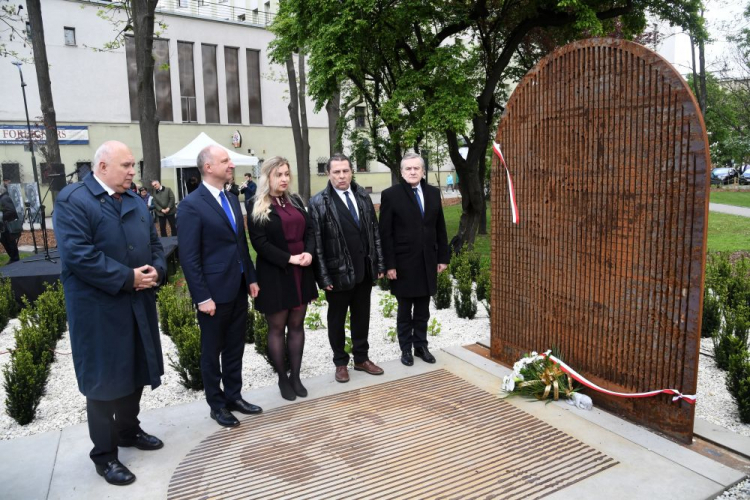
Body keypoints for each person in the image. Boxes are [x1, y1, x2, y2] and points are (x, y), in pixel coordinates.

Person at [53, 141, 166, 486]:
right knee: (103, 383)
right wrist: (128, 278)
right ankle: (105, 456)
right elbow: (79, 256)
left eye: (133, 165)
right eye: (127, 165)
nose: (134, 171)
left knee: (135, 369)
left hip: (137, 303)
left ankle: (129, 430)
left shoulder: (134, 200)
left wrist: (156, 271)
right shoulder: (74, 201)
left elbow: (156, 244)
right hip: (99, 310)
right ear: (102, 167)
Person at [178, 145, 262, 428]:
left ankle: (234, 396)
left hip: (237, 287)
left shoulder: (230, 197)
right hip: (213, 294)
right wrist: (202, 297)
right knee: (212, 350)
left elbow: (241, 242)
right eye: (225, 161)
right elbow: (189, 258)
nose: (231, 165)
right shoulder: (191, 205)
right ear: (208, 167)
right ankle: (216, 404)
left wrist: (250, 278)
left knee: (235, 346)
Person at [309, 153, 385, 383]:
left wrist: (379, 262)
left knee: (362, 317)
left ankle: (361, 358)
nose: (341, 176)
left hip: (364, 270)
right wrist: (323, 276)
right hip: (337, 273)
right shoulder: (318, 202)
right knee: (337, 319)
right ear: (328, 174)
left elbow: (375, 232)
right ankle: (340, 362)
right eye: (336, 172)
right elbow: (317, 244)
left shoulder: (362, 196)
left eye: (345, 171)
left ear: (352, 172)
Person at [248, 157, 317, 400]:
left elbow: (310, 230)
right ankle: (282, 379)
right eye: (279, 174)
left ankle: (296, 376)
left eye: (287, 173)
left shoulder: (295, 201)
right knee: (277, 328)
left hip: (302, 271)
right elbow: (260, 243)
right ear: (268, 177)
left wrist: (308, 252)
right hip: (276, 273)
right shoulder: (256, 205)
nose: (285, 179)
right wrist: (290, 258)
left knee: (297, 325)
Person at [379, 152, 449, 367]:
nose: (412, 171)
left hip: (427, 260)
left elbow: (440, 227)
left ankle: (421, 345)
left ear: (423, 171)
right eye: (408, 168)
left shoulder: (433, 193)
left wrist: (443, 257)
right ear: (401, 172)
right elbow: (385, 233)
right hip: (403, 263)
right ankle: (406, 348)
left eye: (416, 168)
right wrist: (389, 264)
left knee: (423, 309)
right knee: (404, 310)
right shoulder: (391, 195)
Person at [0, 185, 20, 262]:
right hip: (4, 226)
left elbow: (11, 211)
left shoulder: (4, 198)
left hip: (7, 225)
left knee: (9, 242)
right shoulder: (2, 198)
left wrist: (1, 217)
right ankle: (13, 258)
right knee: (5, 241)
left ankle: (14, 258)